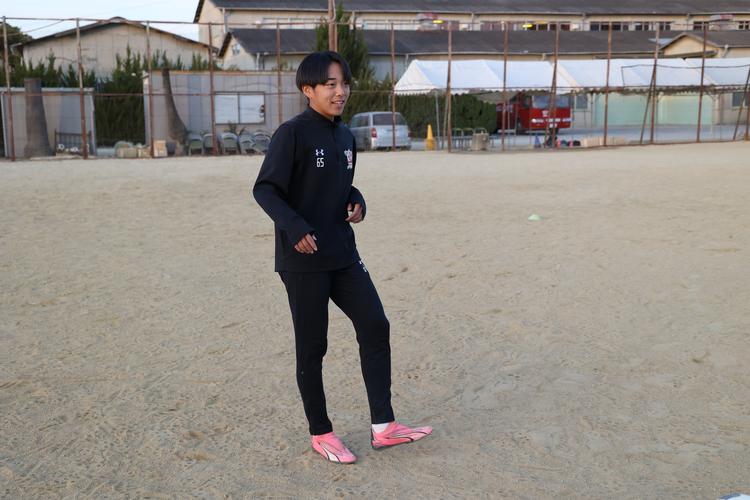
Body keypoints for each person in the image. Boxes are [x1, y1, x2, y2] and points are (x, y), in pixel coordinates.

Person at [252, 51, 432, 464]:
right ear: (308, 90)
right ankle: (321, 432)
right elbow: (265, 189)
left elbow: (339, 185)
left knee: (375, 324)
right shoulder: (291, 134)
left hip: (343, 252)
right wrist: (294, 227)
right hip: (303, 259)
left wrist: (357, 198)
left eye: (344, 84)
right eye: (330, 84)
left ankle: (384, 426)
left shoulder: (345, 136)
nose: (340, 92)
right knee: (313, 346)